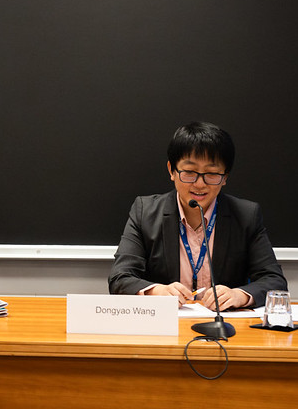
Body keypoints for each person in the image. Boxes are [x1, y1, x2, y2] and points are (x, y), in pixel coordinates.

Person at [109, 121, 286, 310]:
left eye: (212, 173)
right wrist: (156, 291)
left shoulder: (246, 216)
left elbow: (274, 281)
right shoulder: (145, 212)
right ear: (171, 170)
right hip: (166, 321)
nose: (200, 184)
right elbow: (120, 278)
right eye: (189, 172)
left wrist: (239, 295)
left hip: (224, 323)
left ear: (225, 177)